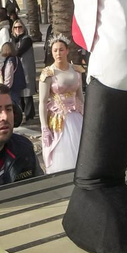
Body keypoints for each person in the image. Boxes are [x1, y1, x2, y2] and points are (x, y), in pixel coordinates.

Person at [38, 37, 86, 174]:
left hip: (77, 116)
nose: (58, 53)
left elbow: (80, 95)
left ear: (67, 51)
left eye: (61, 50)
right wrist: (44, 127)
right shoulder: (48, 73)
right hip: (58, 119)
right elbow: (42, 102)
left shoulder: (76, 70)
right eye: (55, 50)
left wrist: (87, 114)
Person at [11, 21, 38, 123]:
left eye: (20, 27)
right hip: (18, 69)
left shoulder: (26, 39)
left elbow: (18, 51)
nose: (18, 29)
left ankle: (29, 115)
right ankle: (23, 114)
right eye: (15, 27)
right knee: (20, 93)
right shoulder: (14, 39)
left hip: (26, 69)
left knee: (27, 92)